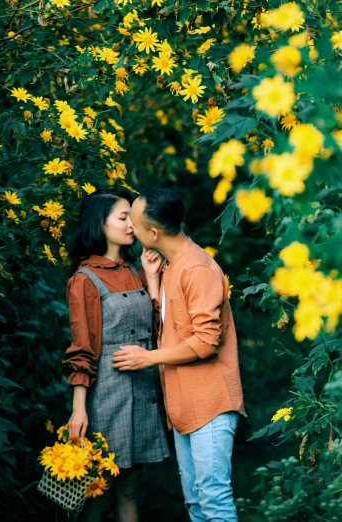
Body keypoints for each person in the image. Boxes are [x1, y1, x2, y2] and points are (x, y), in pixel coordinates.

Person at [112, 189, 246, 522]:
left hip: (210, 403)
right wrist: (155, 280)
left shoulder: (197, 269)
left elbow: (205, 342)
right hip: (185, 403)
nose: (131, 228)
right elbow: (173, 323)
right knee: (197, 504)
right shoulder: (175, 265)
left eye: (134, 222)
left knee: (213, 501)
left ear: (153, 233)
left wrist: (148, 358)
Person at [62, 189, 169, 522]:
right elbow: (82, 348)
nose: (130, 225)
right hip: (107, 396)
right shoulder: (84, 279)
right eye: (123, 217)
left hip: (142, 389)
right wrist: (79, 409)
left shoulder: (134, 269)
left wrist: (151, 279)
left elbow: (157, 331)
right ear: (100, 223)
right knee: (96, 492)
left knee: (129, 491)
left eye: (131, 218)